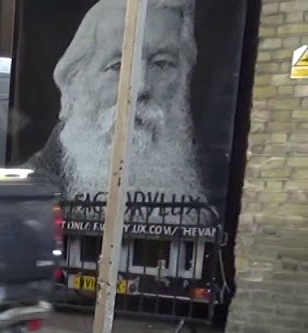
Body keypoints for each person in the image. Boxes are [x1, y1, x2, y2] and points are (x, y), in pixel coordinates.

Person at [23, 0, 207, 210]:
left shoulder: (201, 192)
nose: (140, 86)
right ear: (74, 82)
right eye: (117, 66)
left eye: (161, 64)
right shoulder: (28, 197)